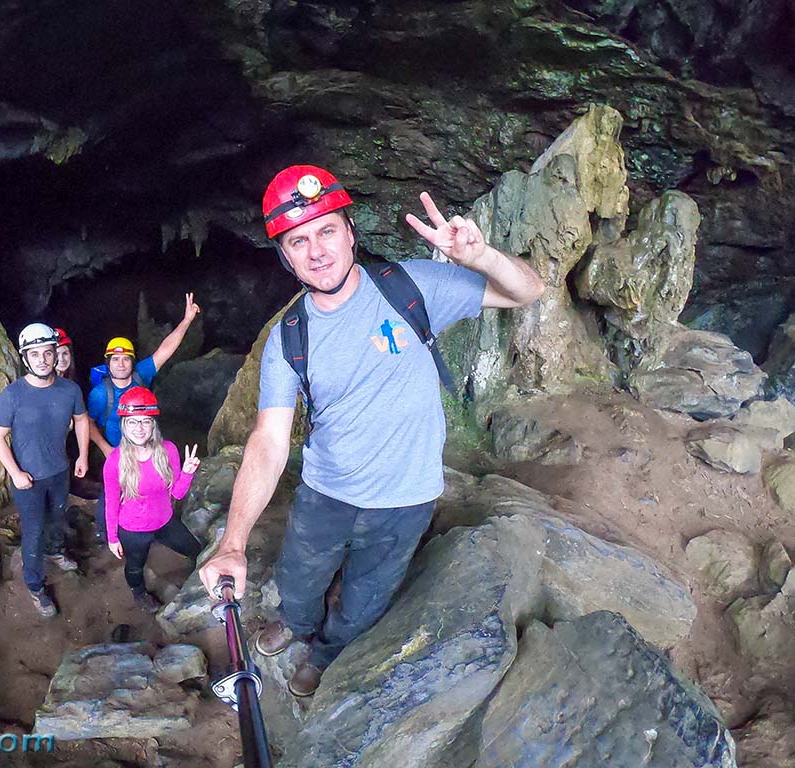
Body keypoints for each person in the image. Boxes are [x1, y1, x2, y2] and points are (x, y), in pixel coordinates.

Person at [198, 164, 545, 696]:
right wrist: (233, 542)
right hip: (325, 492)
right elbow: (268, 441)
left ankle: (326, 653)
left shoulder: (412, 287)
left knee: (366, 595)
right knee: (298, 580)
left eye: (326, 230)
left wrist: (480, 257)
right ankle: (296, 622)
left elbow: (527, 291)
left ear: (350, 231)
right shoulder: (289, 337)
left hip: (405, 499)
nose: (317, 251)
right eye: (298, 241)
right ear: (285, 257)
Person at [0, 322, 90, 619]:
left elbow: (82, 420)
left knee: (58, 514)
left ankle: (56, 550)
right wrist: (16, 473)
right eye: (35, 355)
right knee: (32, 532)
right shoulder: (13, 395)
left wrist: (82, 455)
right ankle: (35, 585)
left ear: (55, 353)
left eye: (48, 353)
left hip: (59, 470)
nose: (43, 360)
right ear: (25, 358)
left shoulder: (69, 390)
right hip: (28, 479)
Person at [86, 293, 201, 539]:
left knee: (155, 485)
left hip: (149, 447)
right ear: (108, 363)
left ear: (132, 362)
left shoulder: (141, 375)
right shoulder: (99, 393)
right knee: (113, 492)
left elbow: (166, 349)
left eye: (125, 359)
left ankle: (157, 524)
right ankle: (106, 533)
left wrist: (187, 320)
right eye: (115, 360)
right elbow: (88, 422)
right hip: (119, 451)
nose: (120, 364)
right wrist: (106, 449)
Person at [103, 386, 202, 611]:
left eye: (145, 421)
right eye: (132, 422)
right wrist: (112, 538)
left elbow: (176, 493)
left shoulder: (168, 451)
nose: (139, 428)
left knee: (195, 550)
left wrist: (187, 472)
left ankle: (198, 584)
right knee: (135, 566)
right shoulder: (115, 462)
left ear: (153, 425)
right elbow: (111, 502)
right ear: (124, 425)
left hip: (165, 521)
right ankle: (139, 594)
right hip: (133, 529)